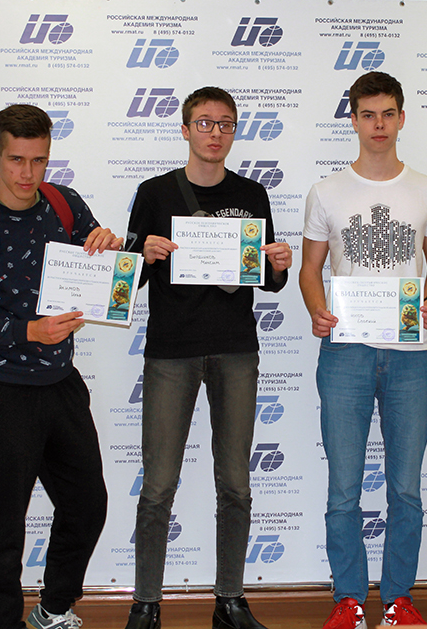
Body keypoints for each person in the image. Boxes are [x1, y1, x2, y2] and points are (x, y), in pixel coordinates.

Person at [0, 104, 121, 629]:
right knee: (1, 528)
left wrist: (110, 249)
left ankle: (54, 608)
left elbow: (106, 280)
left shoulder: (65, 203)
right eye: (16, 160)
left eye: (38, 160)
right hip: (1, 392)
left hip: (61, 384)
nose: (27, 173)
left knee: (87, 505)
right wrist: (27, 332)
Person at [122, 86, 291, 629]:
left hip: (235, 349)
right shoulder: (154, 192)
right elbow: (127, 280)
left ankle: (230, 601)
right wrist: (142, 255)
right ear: (185, 129)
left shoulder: (252, 194)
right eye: (204, 123)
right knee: (158, 485)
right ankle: (146, 603)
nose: (215, 133)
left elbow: (268, 281)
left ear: (234, 131)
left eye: (225, 124)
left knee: (235, 483)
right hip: (171, 352)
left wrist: (279, 264)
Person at [299, 71, 427, 629]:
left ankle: (398, 599)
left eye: (388, 114)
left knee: (405, 488)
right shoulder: (326, 191)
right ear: (354, 120)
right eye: (368, 115)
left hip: (410, 353)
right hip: (346, 353)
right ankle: (348, 599)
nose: (378, 125)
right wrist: (318, 309)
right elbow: (310, 270)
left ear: (401, 118)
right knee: (344, 487)